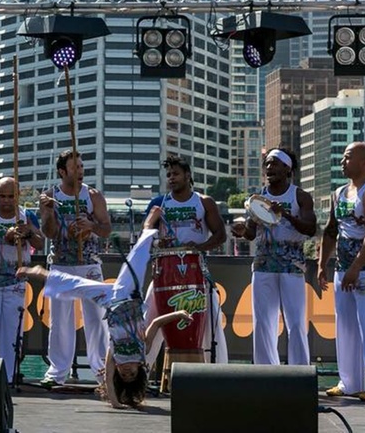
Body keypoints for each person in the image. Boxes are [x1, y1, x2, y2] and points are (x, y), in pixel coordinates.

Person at [16, 229, 191, 409]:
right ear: (139, 370)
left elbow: (107, 376)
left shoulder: (114, 355)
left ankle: (39, 273)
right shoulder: (143, 351)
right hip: (130, 295)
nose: (126, 372)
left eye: (123, 375)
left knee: (77, 285)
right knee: (137, 260)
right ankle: (148, 229)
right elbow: (156, 323)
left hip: (111, 301)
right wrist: (178, 314)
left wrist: (115, 403)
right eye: (131, 374)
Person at [319, 142, 365, 402]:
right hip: (343, 268)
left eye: (348, 157)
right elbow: (331, 230)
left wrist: (356, 267)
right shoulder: (339, 192)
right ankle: (350, 382)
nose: (342, 161)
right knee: (346, 324)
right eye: (342, 157)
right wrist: (322, 264)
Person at [232, 149, 316, 366]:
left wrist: (285, 214)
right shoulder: (259, 197)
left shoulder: (300, 196)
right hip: (263, 264)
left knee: (296, 322)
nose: (269, 168)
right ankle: (265, 372)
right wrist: (242, 231)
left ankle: (299, 373)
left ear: (287, 169)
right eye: (267, 164)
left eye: (275, 163)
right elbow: (252, 233)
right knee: (262, 322)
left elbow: (311, 229)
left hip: (292, 265)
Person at [142, 156, 228, 364]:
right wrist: (156, 242)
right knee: (148, 319)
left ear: (187, 175)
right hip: (164, 272)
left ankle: (216, 373)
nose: (171, 178)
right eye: (168, 175)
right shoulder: (158, 203)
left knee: (211, 325)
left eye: (176, 174)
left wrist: (200, 247)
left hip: (196, 271)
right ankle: (139, 371)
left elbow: (220, 235)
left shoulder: (204, 202)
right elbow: (145, 236)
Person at [37, 150, 111, 387]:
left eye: (81, 166)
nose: (80, 170)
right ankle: (57, 371)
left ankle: (102, 371)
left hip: (89, 263)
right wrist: (48, 211)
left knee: (96, 319)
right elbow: (47, 232)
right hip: (61, 263)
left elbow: (107, 229)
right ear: (62, 171)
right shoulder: (50, 196)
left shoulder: (93, 195)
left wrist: (91, 225)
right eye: (74, 167)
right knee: (60, 320)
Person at [0, 177, 44, 384]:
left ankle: (8, 374)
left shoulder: (25, 216)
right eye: (2, 196)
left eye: (10, 196)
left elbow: (39, 243)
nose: (6, 201)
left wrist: (28, 233)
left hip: (16, 280)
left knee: (12, 329)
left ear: (17, 195)